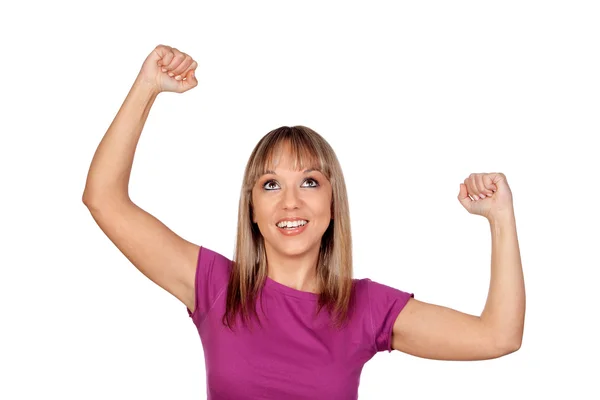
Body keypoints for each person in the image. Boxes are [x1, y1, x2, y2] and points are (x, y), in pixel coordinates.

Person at [82, 45, 525, 399]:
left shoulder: (365, 308)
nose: (290, 203)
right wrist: (147, 86)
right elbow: (103, 198)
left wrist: (501, 218)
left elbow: (497, 337)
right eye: (271, 186)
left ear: (333, 204)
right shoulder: (215, 285)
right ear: (252, 209)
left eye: (310, 182)